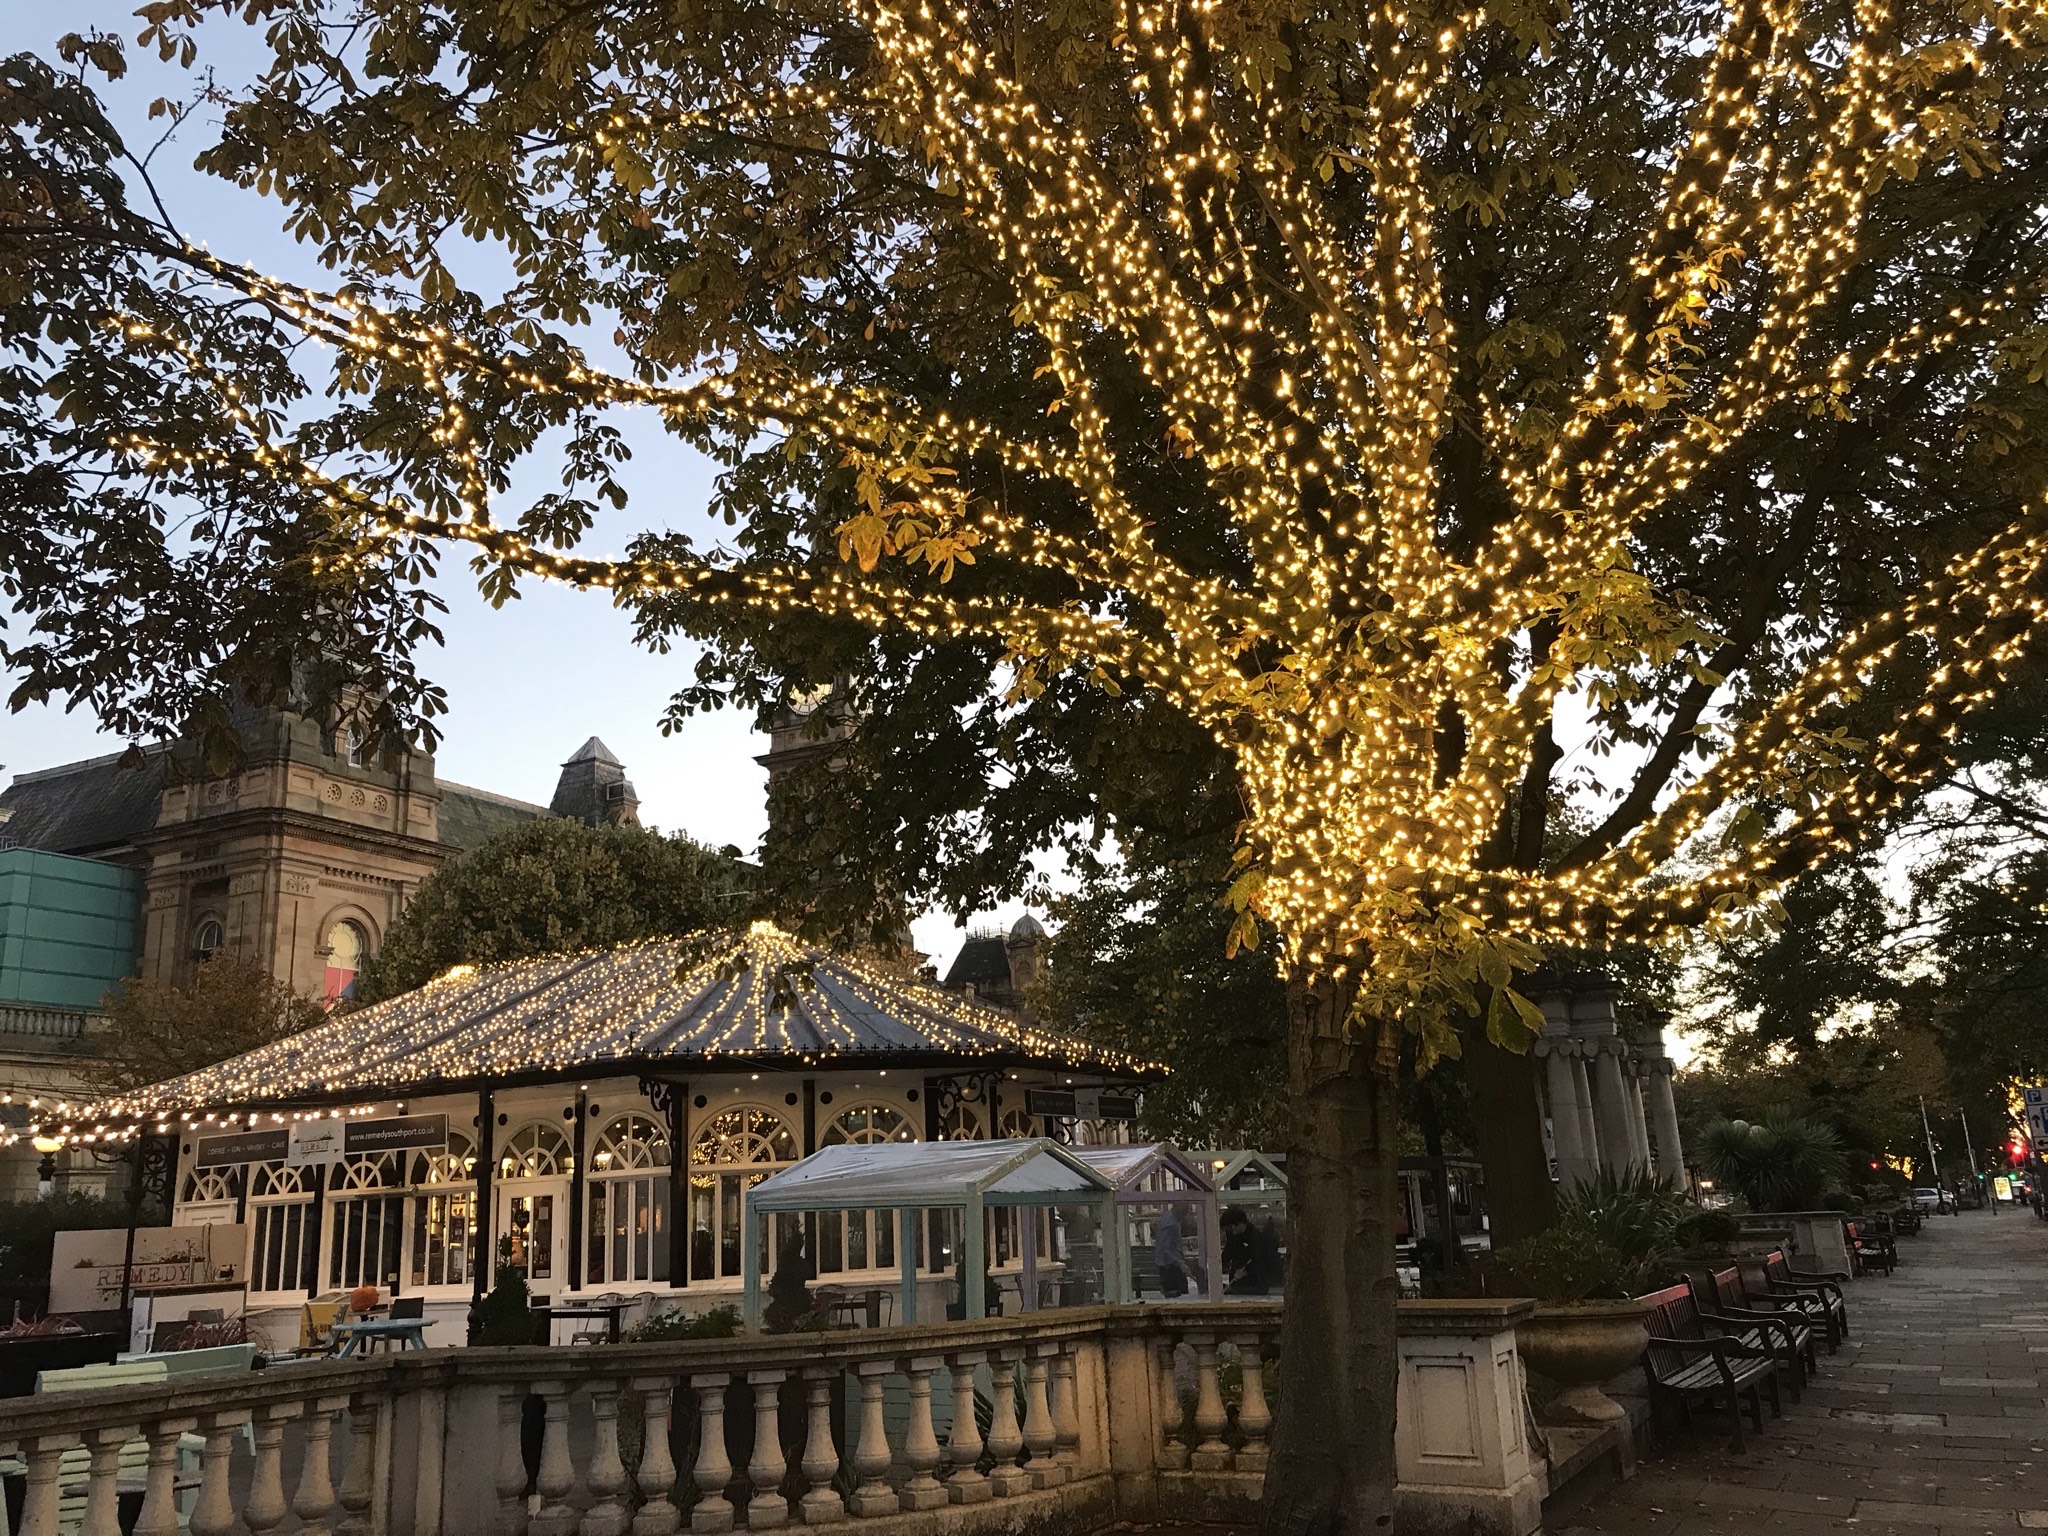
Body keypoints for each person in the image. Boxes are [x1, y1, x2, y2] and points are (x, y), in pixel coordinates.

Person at [1154, 1204, 1188, 1298]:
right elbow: (1167, 1248)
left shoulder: (1166, 1218)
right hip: (1170, 1266)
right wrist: (1181, 1263)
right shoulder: (1172, 1224)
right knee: (1180, 1295)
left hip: (1166, 1265)